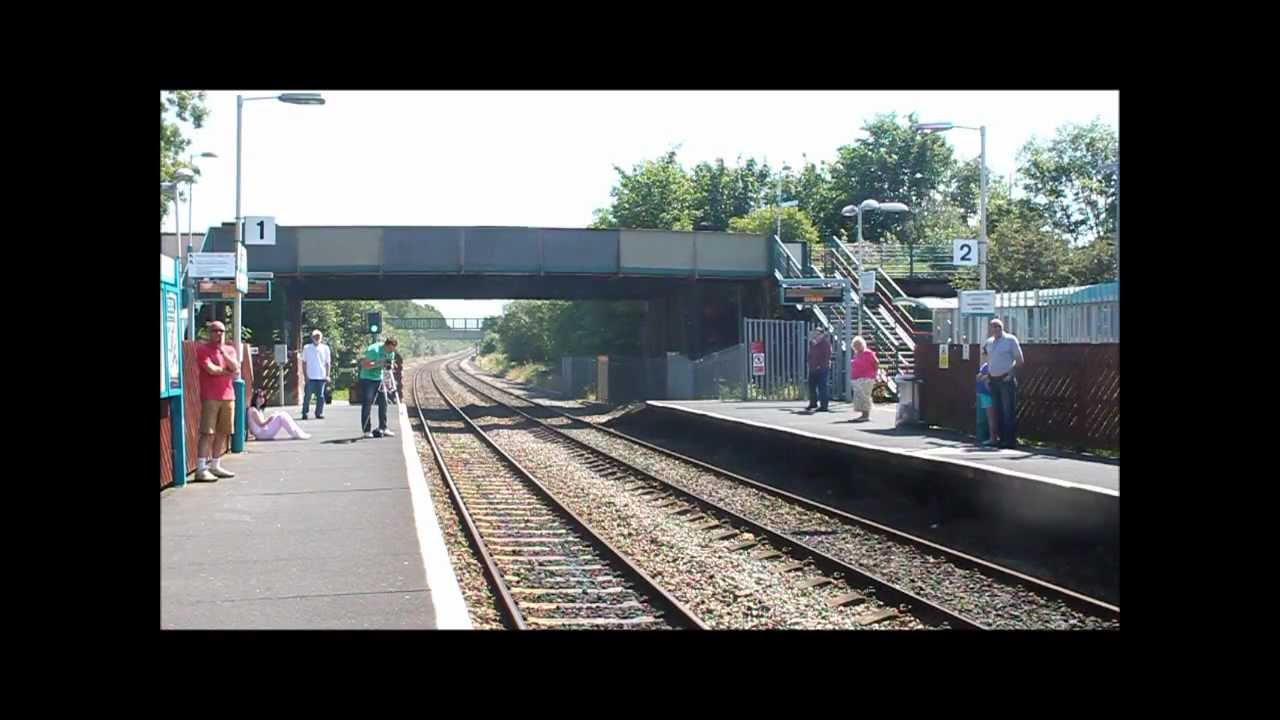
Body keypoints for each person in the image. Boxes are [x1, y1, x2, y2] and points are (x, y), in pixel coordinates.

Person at [193, 321, 239, 482]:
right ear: (209, 333)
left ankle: (215, 465)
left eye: (221, 331)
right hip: (210, 396)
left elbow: (236, 367)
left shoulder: (230, 350)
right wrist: (227, 371)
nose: (218, 334)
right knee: (207, 432)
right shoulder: (203, 349)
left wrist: (223, 354)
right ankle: (201, 468)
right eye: (215, 331)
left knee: (223, 431)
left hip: (228, 396)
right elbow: (210, 369)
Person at [982, 318, 1025, 449]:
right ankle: (1000, 439)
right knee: (997, 410)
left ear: (1002, 327)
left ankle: (1010, 440)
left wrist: (1011, 374)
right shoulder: (989, 342)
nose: (995, 329)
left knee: (1008, 411)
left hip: (1006, 379)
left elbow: (1020, 360)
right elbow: (987, 360)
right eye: (993, 327)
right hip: (993, 380)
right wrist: (987, 376)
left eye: (998, 327)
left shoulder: (1010, 340)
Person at [359, 336, 399, 438]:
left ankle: (383, 427)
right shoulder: (374, 350)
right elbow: (364, 364)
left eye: (393, 350)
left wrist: (391, 366)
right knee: (368, 403)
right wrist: (377, 364)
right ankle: (366, 430)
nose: (391, 351)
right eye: (390, 349)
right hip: (367, 379)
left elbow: (388, 366)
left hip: (379, 379)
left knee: (384, 402)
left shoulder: (391, 353)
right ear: (386, 345)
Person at [300, 329, 331, 420]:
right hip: (310, 376)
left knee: (320, 396)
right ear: (312, 338)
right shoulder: (307, 348)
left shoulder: (325, 348)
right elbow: (304, 362)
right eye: (315, 336)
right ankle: (305, 413)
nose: (317, 338)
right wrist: (305, 375)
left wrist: (327, 375)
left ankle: (319, 413)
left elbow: (327, 363)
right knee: (307, 396)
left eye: (318, 336)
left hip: (321, 376)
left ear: (321, 338)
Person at [849, 335, 879, 422]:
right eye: (855, 345)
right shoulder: (857, 354)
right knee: (859, 396)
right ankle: (863, 414)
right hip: (858, 377)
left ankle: (866, 415)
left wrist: (875, 373)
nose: (856, 347)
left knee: (864, 395)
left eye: (858, 345)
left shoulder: (868, 353)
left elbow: (876, 362)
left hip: (867, 377)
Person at [805, 327, 832, 412]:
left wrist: (820, 365)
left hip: (822, 368)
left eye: (818, 334)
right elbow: (810, 354)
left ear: (822, 335)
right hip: (812, 367)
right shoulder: (812, 343)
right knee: (811, 386)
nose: (816, 335)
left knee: (822, 386)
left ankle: (824, 405)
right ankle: (813, 403)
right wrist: (809, 362)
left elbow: (827, 356)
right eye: (815, 334)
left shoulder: (825, 344)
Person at [976, 361, 999, 446]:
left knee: (991, 418)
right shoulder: (988, 366)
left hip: (986, 395)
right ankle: (994, 437)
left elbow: (985, 381)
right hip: (986, 394)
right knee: (992, 417)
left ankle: (993, 438)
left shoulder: (988, 366)